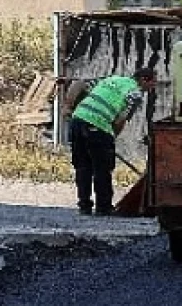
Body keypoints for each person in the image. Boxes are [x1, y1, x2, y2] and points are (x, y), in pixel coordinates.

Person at [65, 68, 157, 215]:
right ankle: (103, 207)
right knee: (102, 169)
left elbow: (79, 84)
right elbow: (121, 119)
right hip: (98, 125)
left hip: (77, 120)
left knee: (83, 166)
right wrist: (111, 136)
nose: (152, 88)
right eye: (152, 83)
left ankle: (84, 206)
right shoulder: (135, 93)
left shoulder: (110, 79)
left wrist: (68, 107)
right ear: (144, 80)